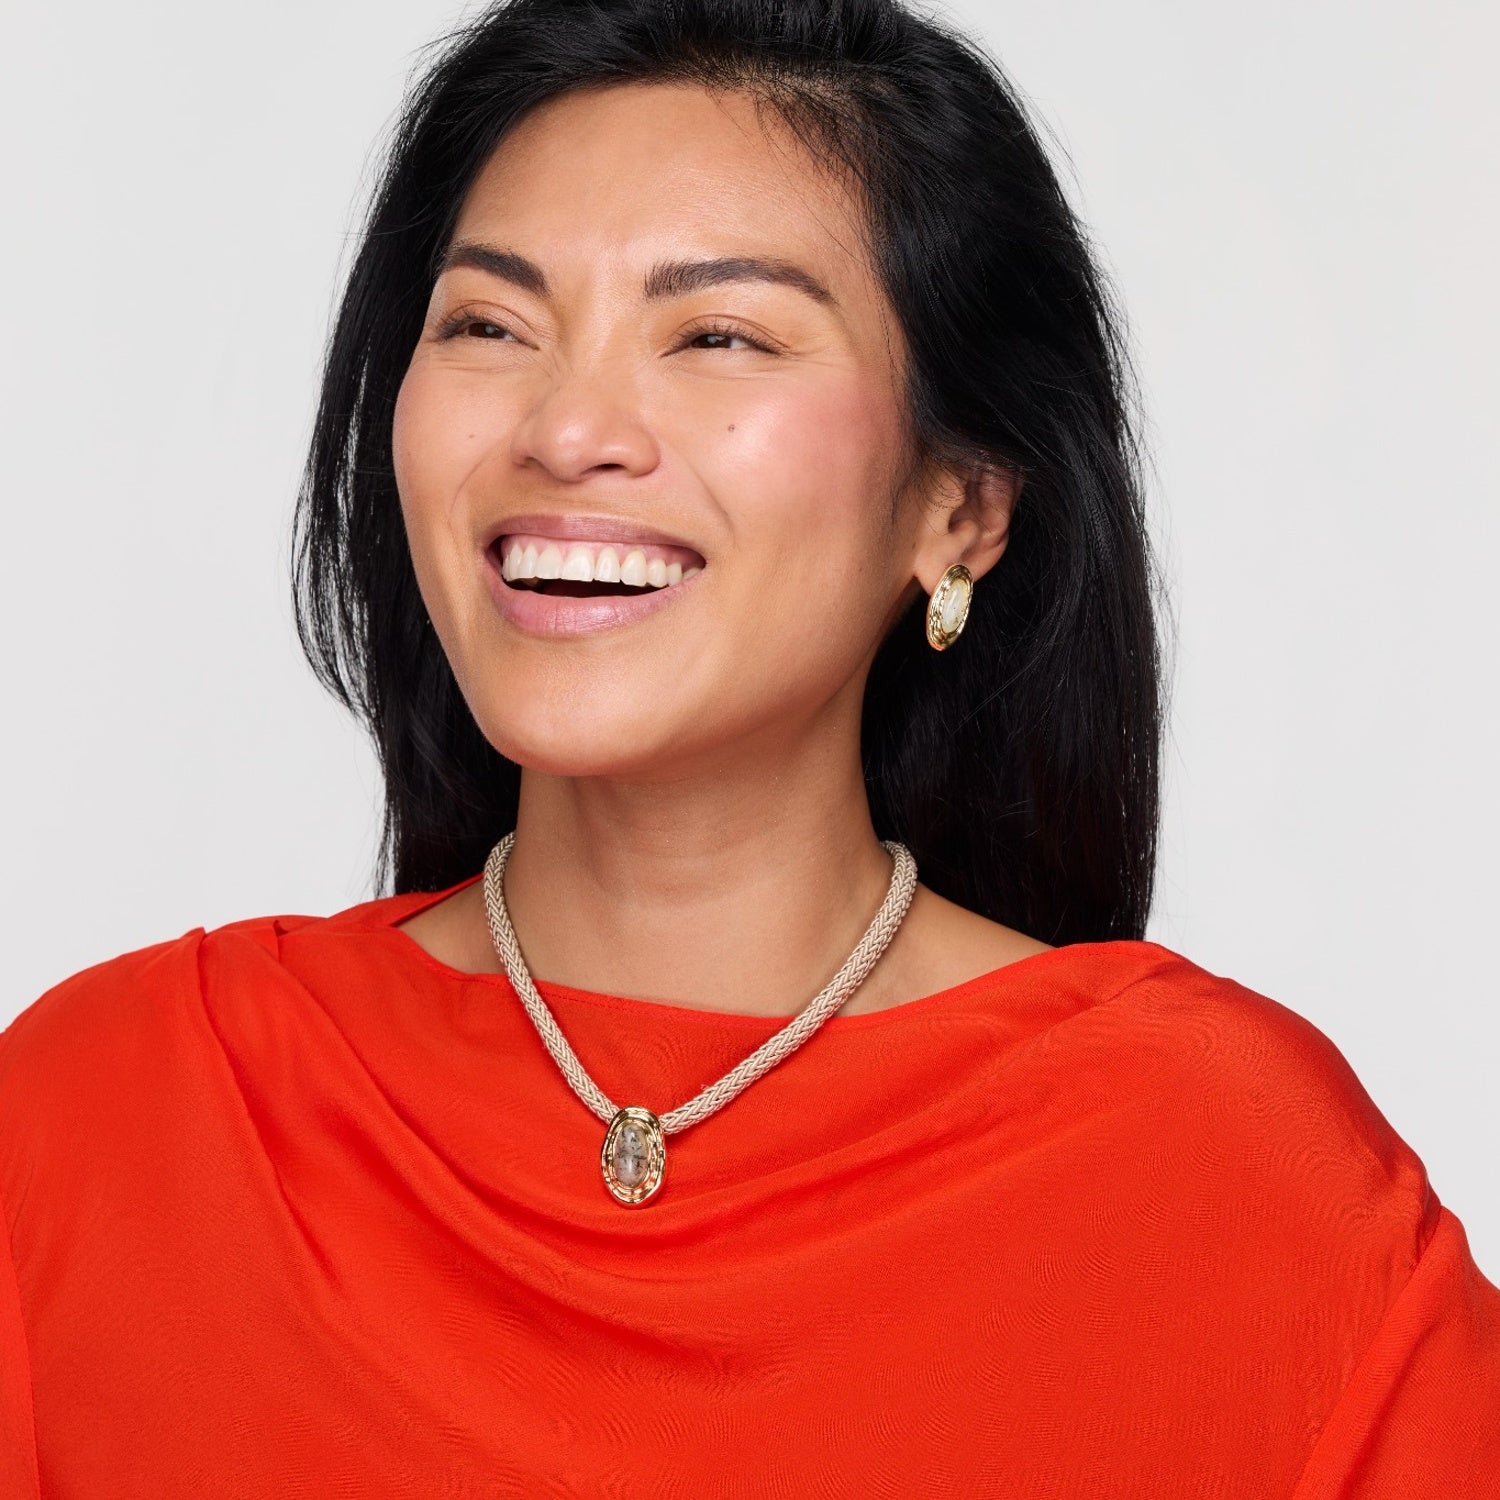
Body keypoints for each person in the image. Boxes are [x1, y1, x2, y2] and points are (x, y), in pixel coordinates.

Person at [3, 0, 1496, 1491]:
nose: (569, 426)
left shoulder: (1232, 1186)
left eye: (717, 333)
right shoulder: (114, 1119)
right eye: (488, 325)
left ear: (959, 504)